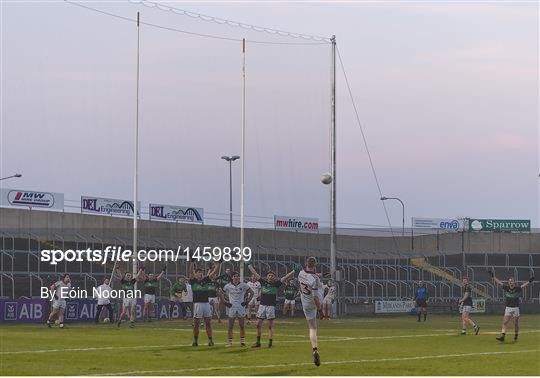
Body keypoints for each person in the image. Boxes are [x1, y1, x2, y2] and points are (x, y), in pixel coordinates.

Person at [247, 264, 295, 348]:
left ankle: (270, 343)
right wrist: (249, 265)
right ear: (267, 277)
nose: (270, 277)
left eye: (272, 276)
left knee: (270, 326)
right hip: (262, 306)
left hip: (271, 307)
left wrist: (294, 271)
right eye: (269, 275)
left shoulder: (276, 284)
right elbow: (254, 272)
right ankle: (258, 342)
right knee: (258, 325)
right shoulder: (262, 282)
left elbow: (286, 277)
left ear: (274, 277)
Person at [489, 271, 535, 342]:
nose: (511, 282)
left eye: (512, 281)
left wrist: (529, 281)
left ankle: (516, 335)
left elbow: (524, 285)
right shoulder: (506, 288)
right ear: (508, 283)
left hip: (515, 308)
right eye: (510, 281)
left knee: (516, 324)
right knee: (505, 322)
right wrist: (493, 276)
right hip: (508, 308)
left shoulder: (517, 288)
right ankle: (502, 336)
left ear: (514, 282)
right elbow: (499, 282)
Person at [189, 262, 221, 346]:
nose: (201, 274)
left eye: (201, 272)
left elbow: (214, 272)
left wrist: (219, 264)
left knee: (208, 323)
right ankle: (195, 341)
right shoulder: (193, 281)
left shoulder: (206, 280)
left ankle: (210, 340)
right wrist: (192, 262)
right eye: (199, 272)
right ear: (195, 274)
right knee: (196, 324)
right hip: (198, 304)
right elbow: (191, 272)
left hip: (206, 304)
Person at [298, 256, 322, 366]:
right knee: (321, 289)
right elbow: (316, 298)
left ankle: (315, 349)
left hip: (306, 303)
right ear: (315, 265)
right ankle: (315, 350)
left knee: (311, 328)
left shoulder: (300, 273)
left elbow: (308, 274)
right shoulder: (315, 279)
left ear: (306, 263)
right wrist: (321, 311)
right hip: (314, 302)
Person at [222, 272, 253, 347]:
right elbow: (221, 293)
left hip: (241, 307)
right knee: (230, 326)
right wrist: (225, 302)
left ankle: (242, 342)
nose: (236, 277)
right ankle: (229, 342)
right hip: (232, 307)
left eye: (237, 276)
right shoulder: (228, 286)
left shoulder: (243, 285)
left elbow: (252, 292)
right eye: (234, 276)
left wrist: (247, 301)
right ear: (232, 278)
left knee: (242, 325)